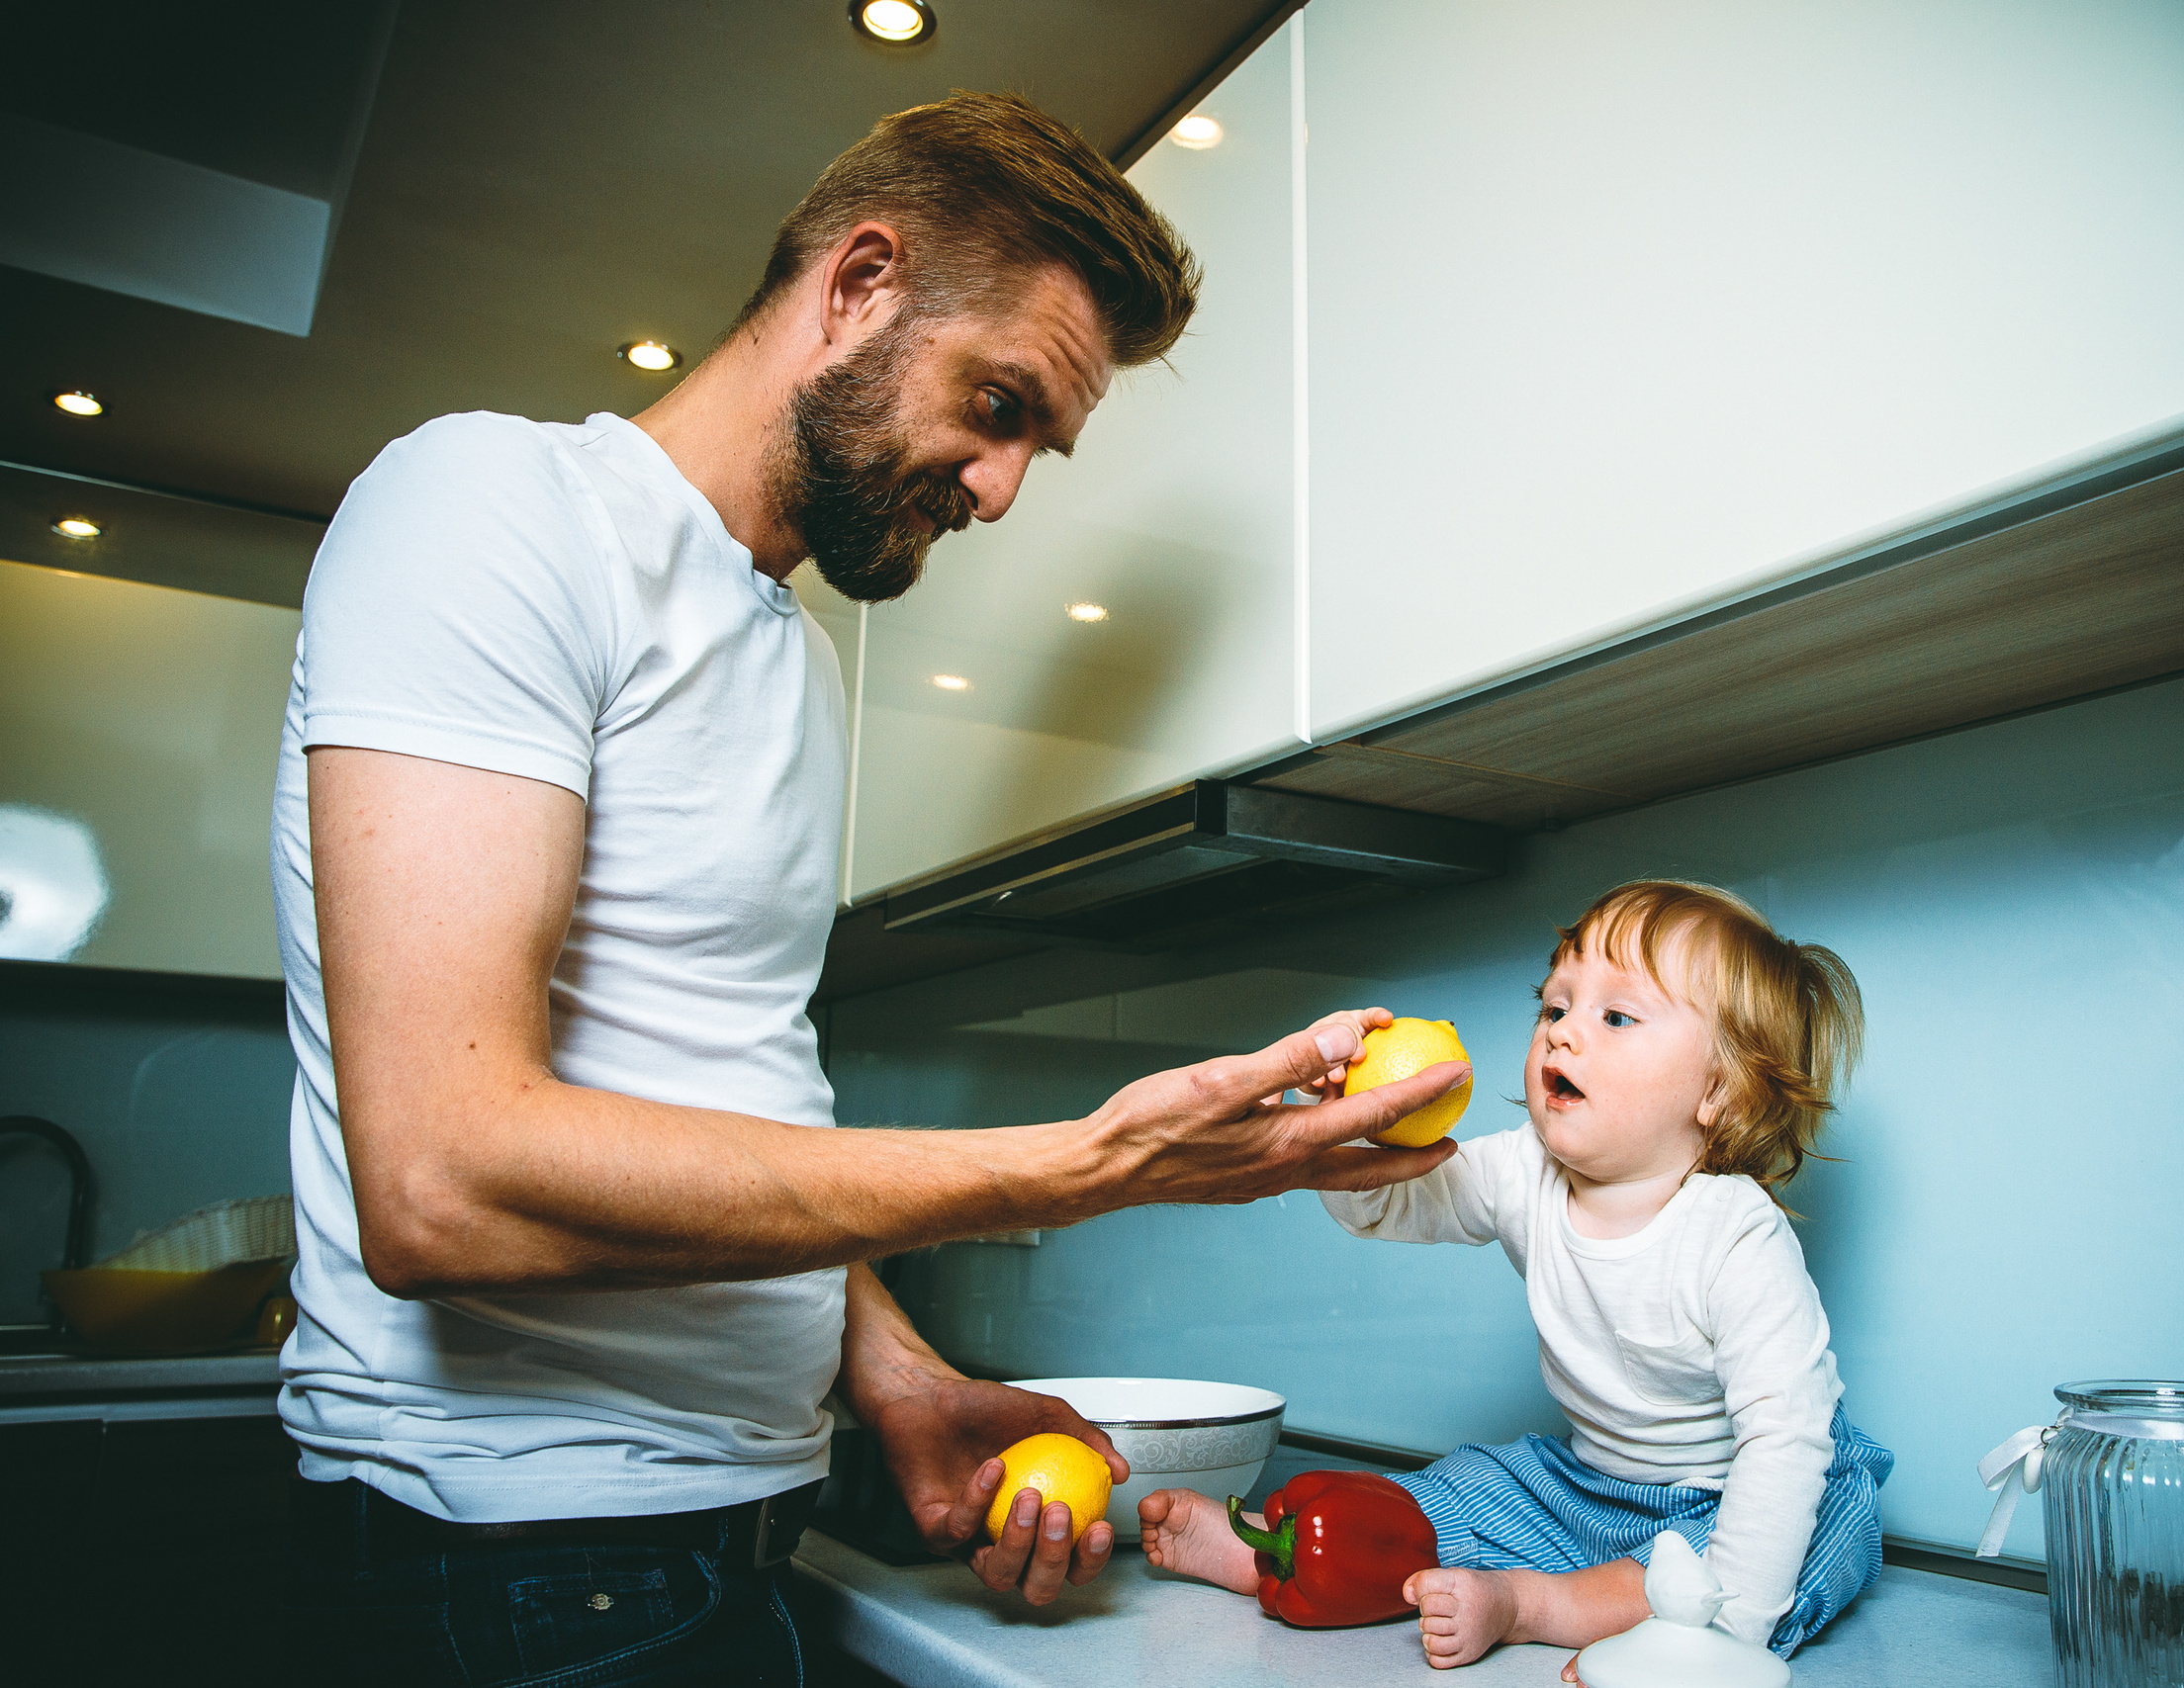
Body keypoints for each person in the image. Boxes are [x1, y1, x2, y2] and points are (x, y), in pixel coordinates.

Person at [269, 92, 1466, 1683]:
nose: (999, 486)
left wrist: (894, 1372)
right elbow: (442, 1180)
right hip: (514, 1573)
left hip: (714, 1546)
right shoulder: (497, 511)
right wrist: (1089, 1161)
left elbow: (720, 1096)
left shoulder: (800, 656)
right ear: (859, 284)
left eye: (1040, 438)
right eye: (998, 402)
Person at [1140, 880, 1893, 1670]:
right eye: (1555, 1006)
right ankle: (1270, 1545)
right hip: (1586, 1480)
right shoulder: (1523, 1168)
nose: (1563, 1034)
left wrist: (1718, 1642)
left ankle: (1542, 1605)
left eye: (1616, 1016)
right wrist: (1345, 1131)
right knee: (1466, 1482)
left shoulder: (1734, 1231)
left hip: (1737, 1483)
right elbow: (1387, 1206)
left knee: (1782, 1547)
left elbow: (1786, 1436)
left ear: (1718, 1090)